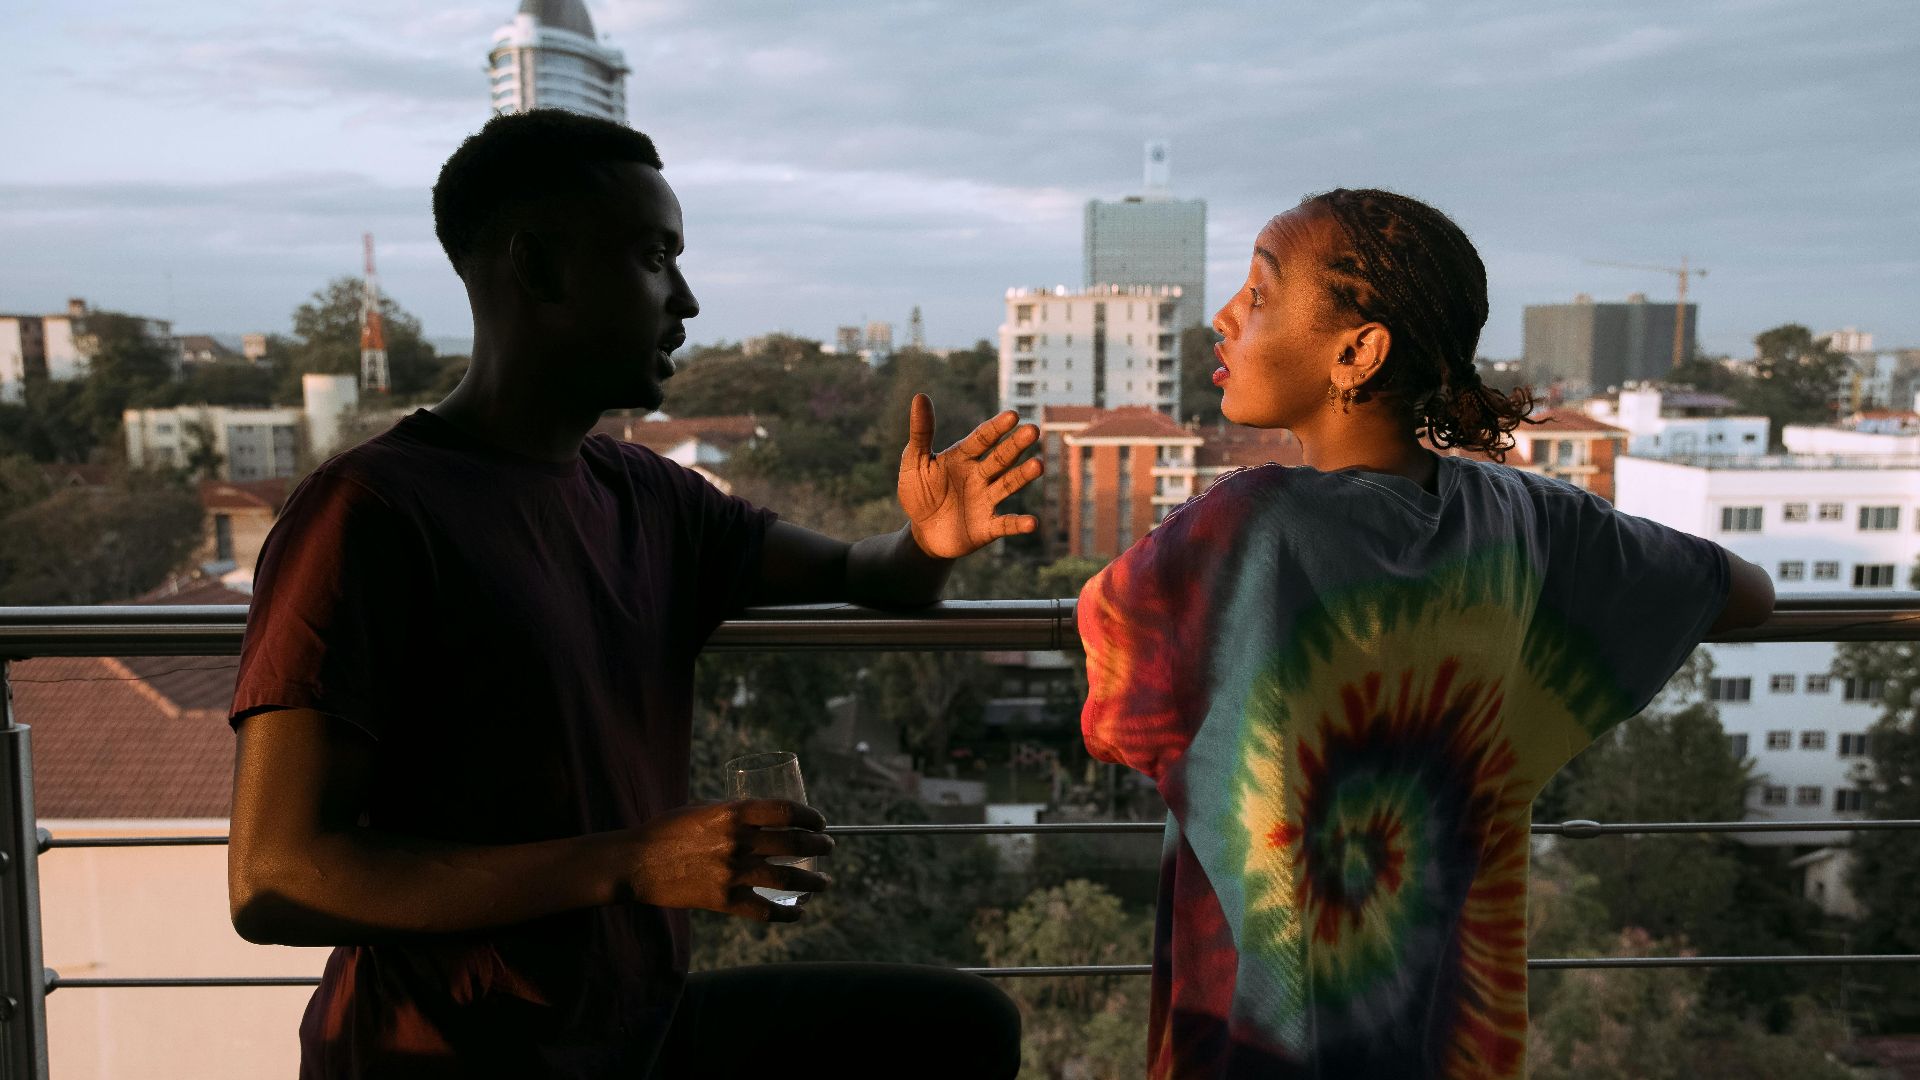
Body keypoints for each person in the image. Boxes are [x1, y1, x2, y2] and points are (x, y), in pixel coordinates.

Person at [225, 110, 1029, 1079]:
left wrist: (929, 542)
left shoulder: (641, 494)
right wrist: (635, 863)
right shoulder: (371, 514)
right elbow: (274, 879)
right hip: (456, 1056)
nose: (685, 300)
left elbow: (868, 576)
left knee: (960, 1030)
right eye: (654, 258)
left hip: (631, 1032)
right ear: (540, 268)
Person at [1075, 188, 1775, 1079]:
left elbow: (1118, 711)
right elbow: (1742, 592)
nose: (1223, 318)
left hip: (1261, 1031)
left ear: (1357, 350)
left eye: (1256, 294)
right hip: (1445, 1025)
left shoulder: (1248, 524)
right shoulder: (1524, 516)